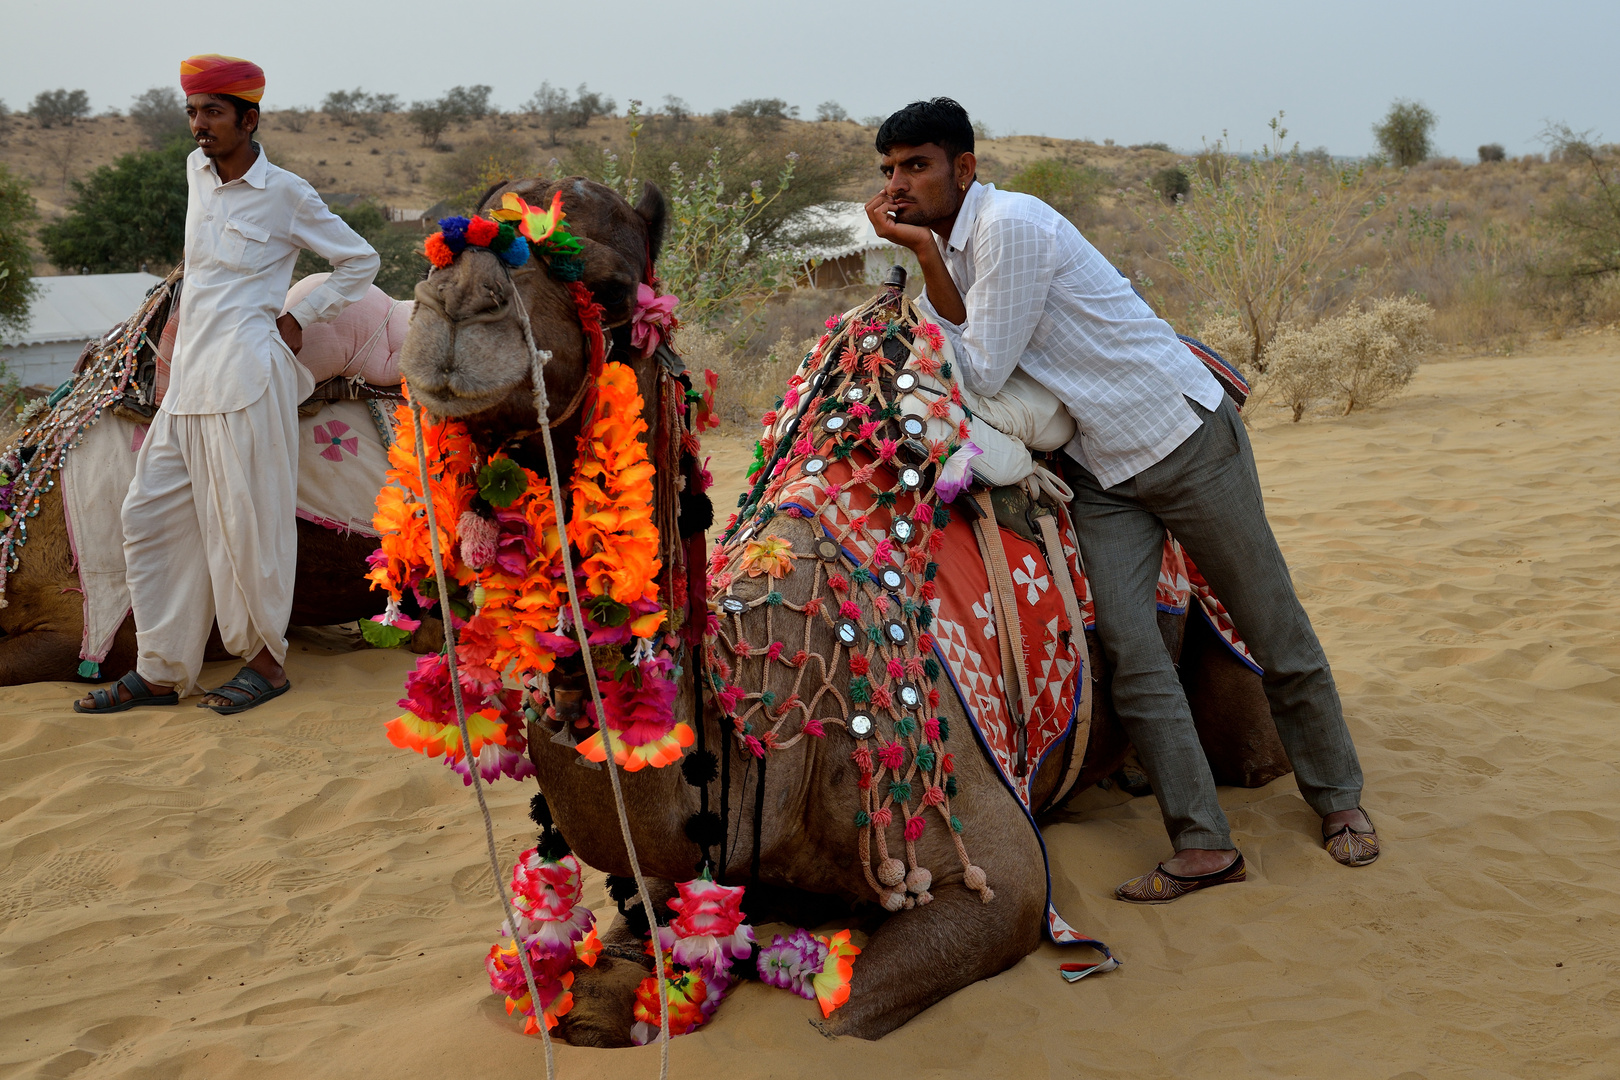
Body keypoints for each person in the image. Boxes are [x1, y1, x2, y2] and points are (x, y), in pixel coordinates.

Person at [863, 98, 1379, 903]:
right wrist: (926, 254)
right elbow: (953, 331)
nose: (899, 183)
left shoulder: (1012, 228)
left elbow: (982, 369)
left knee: (1271, 619)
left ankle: (1339, 798)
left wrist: (926, 256)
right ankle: (1205, 844)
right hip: (1102, 470)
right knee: (1134, 653)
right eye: (889, 168)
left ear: (965, 167)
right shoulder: (953, 242)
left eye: (917, 165)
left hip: (1178, 436)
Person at [75, 55, 378, 716]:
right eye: (192, 111)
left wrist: (303, 316)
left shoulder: (287, 193)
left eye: (213, 111)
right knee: (148, 517)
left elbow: (361, 260)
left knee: (247, 527)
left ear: (250, 117)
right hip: (189, 380)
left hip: (248, 375)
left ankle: (267, 665)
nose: (199, 125)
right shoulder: (195, 173)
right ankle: (161, 670)